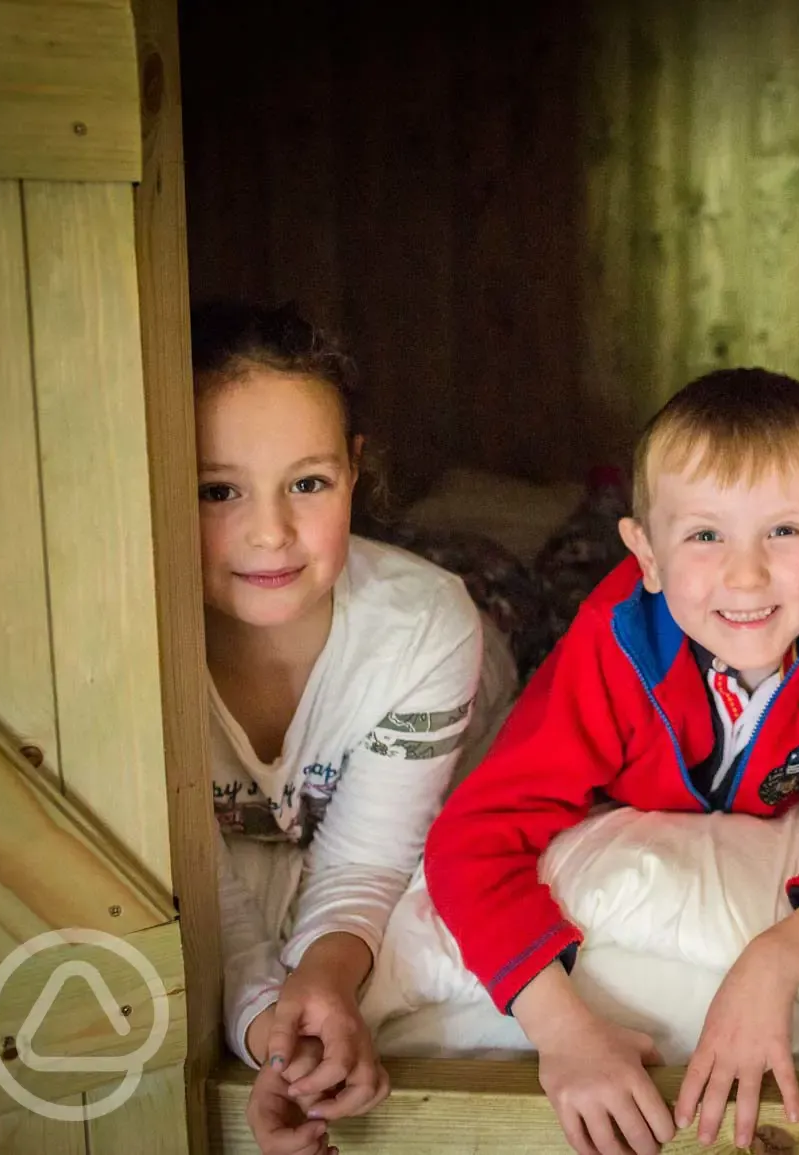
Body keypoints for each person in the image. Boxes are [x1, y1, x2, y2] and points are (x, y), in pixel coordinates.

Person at [423, 368, 799, 1155]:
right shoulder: (612, 643)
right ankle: (590, 517)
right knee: (531, 589)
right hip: (576, 624)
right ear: (645, 551)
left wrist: (778, 956)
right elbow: (470, 838)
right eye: (705, 534)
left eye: (785, 531)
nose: (746, 574)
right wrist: (560, 1029)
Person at [194, 301, 497, 1155]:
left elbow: (367, 857)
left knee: (512, 596)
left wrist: (330, 972)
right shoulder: (122, 658)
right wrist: (275, 1034)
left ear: (356, 472)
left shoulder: (425, 626)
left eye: (308, 482)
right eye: (218, 490)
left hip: (477, 650)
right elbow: (206, 893)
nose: (269, 530)